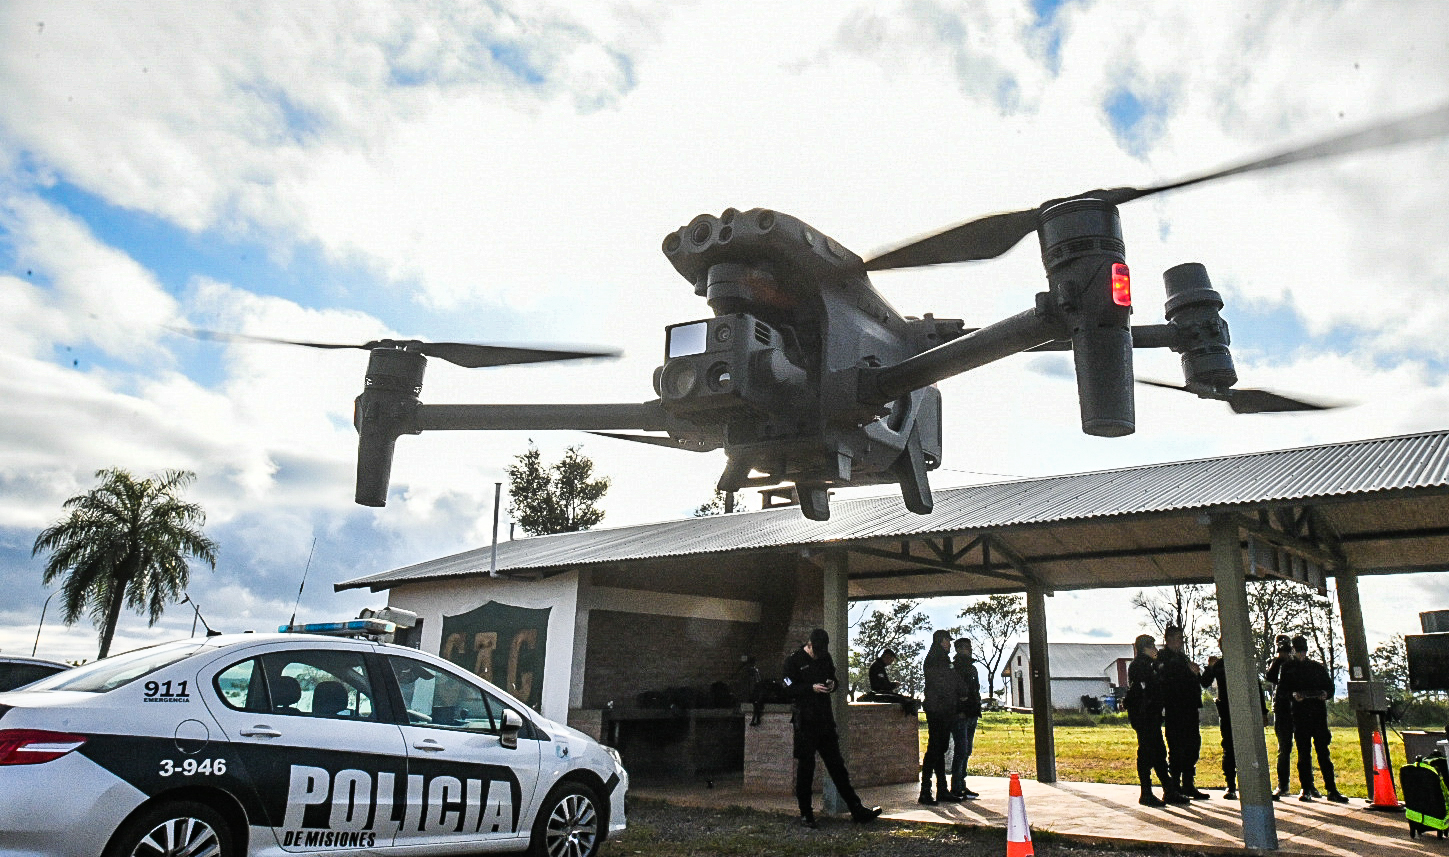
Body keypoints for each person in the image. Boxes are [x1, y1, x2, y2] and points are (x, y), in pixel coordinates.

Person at [781, 629, 883, 828]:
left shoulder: (825, 657)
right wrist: (810, 688)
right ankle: (806, 813)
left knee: (837, 767)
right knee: (806, 769)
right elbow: (786, 686)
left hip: (824, 721)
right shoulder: (793, 661)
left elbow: (834, 679)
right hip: (805, 723)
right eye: (815, 651)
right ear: (809, 644)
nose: (818, 654)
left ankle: (856, 809)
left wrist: (831, 684)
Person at [1281, 635, 1349, 803]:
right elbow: (1282, 691)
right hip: (1299, 715)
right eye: (1298, 651)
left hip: (1318, 715)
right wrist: (1293, 696)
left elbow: (1330, 687)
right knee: (1304, 754)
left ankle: (1331, 789)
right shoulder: (1287, 668)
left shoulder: (1317, 667)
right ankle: (1306, 788)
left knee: (1323, 754)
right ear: (1293, 651)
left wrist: (1325, 694)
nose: (1301, 654)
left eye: (1303, 651)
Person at [1125, 634, 1188, 807]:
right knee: (1146, 753)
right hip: (1143, 715)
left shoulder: (1148, 665)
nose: (1155, 650)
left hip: (1151, 714)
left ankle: (1168, 790)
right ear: (1145, 648)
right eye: (1152, 646)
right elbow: (1147, 688)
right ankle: (1146, 792)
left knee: (1159, 752)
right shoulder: (1140, 666)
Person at [1201, 635, 1266, 800]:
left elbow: (1257, 688)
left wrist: (1263, 712)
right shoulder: (1219, 666)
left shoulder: (1244, 664)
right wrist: (1210, 667)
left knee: (1249, 748)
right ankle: (1230, 785)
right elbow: (1205, 682)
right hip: (1227, 712)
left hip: (1245, 712)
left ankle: (1253, 785)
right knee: (1229, 749)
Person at [1158, 624, 1208, 799]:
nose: (1181, 642)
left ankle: (1188, 784)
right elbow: (1168, 681)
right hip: (1175, 708)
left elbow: (1197, 680)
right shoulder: (1163, 658)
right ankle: (1176, 786)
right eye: (1179, 638)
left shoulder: (1182, 657)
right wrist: (1186, 671)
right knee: (1177, 748)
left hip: (1190, 707)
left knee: (1192, 746)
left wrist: (1195, 673)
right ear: (1169, 639)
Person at [920, 629, 967, 805]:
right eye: (948, 641)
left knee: (939, 749)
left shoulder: (938, 658)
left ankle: (941, 790)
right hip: (939, 710)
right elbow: (948, 681)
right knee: (934, 750)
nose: (949, 644)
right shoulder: (937, 659)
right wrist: (961, 691)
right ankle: (925, 791)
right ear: (941, 640)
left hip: (941, 709)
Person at [949, 637, 982, 800]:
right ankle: (956, 786)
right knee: (961, 750)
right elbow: (954, 692)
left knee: (967, 750)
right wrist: (959, 710)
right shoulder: (954, 668)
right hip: (960, 716)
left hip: (972, 714)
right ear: (958, 649)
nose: (968, 649)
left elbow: (975, 690)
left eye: (968, 647)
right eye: (964, 647)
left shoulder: (973, 668)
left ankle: (962, 784)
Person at [1264, 634, 1296, 799]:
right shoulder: (1275, 663)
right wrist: (1279, 659)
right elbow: (1270, 676)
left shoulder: (1296, 663)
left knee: (1304, 749)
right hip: (1282, 708)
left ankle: (1308, 785)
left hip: (1296, 708)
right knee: (1284, 748)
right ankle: (1283, 784)